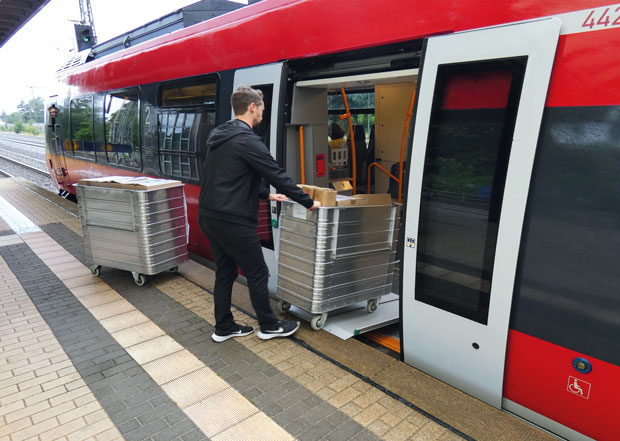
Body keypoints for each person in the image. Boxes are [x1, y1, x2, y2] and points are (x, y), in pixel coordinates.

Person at [198, 85, 321, 343]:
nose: (263, 114)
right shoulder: (247, 140)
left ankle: (223, 328)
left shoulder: (220, 136)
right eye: (262, 109)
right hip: (234, 220)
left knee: (226, 272)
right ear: (252, 107)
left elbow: (229, 177)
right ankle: (269, 325)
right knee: (257, 272)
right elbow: (275, 173)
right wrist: (307, 202)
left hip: (210, 216)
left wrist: (266, 196)